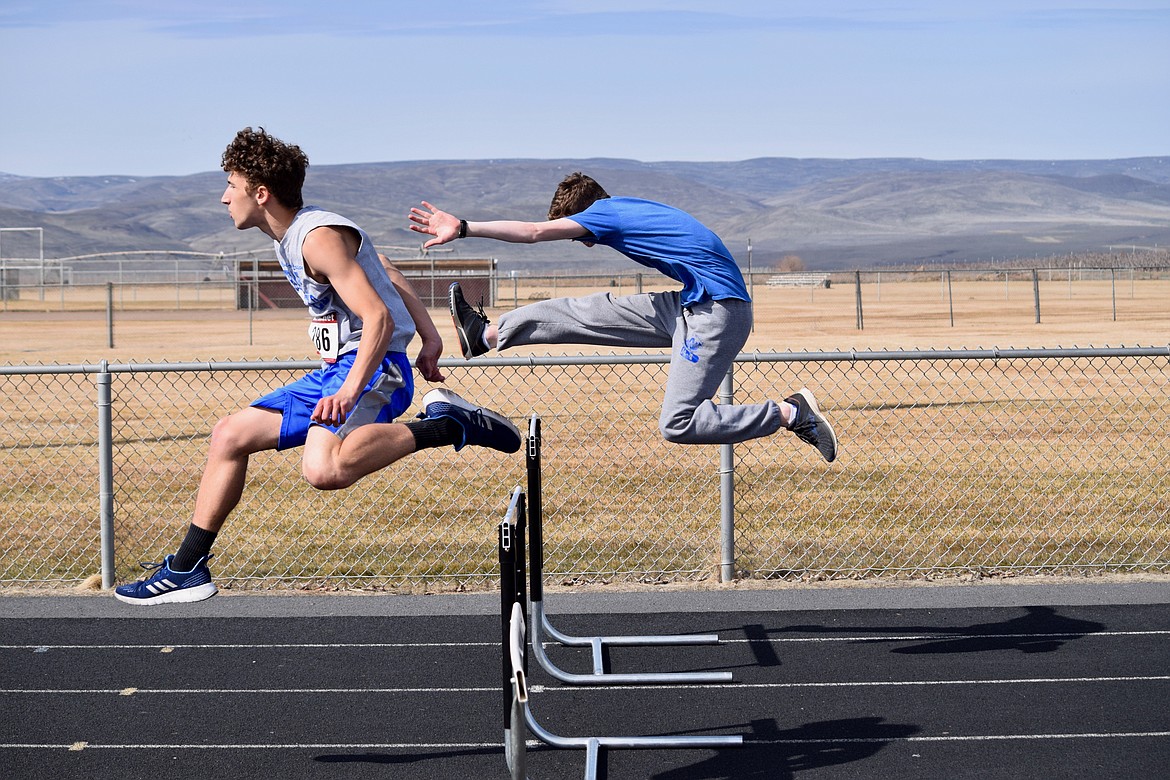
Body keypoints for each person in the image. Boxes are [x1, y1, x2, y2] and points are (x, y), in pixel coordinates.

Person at [115, 127, 520, 605]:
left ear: (260, 193)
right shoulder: (294, 235)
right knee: (229, 436)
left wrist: (350, 390)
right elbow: (384, 266)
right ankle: (187, 569)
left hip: (373, 369)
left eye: (231, 185)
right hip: (340, 369)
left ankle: (447, 425)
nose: (224, 198)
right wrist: (430, 337)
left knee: (324, 469)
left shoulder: (316, 238)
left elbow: (377, 316)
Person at [408, 172, 837, 461]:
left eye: (579, 235)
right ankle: (486, 334)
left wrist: (463, 227)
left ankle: (788, 413)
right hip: (693, 303)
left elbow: (535, 232)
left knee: (679, 423)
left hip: (717, 313)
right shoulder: (628, 207)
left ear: (582, 215)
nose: (584, 243)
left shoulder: (602, 216)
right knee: (585, 312)